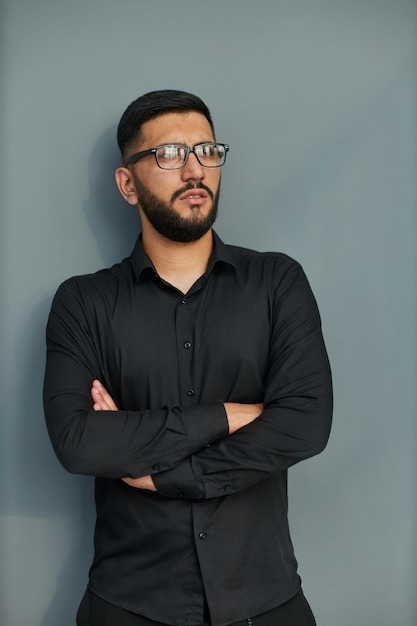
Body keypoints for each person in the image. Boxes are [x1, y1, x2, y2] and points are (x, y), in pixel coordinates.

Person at [43, 89, 332, 626]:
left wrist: (156, 468)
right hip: (128, 606)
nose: (195, 169)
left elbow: (306, 424)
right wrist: (228, 416)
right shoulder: (82, 302)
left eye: (207, 151)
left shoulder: (277, 282)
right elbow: (77, 441)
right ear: (128, 184)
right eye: (170, 155)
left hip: (264, 603)